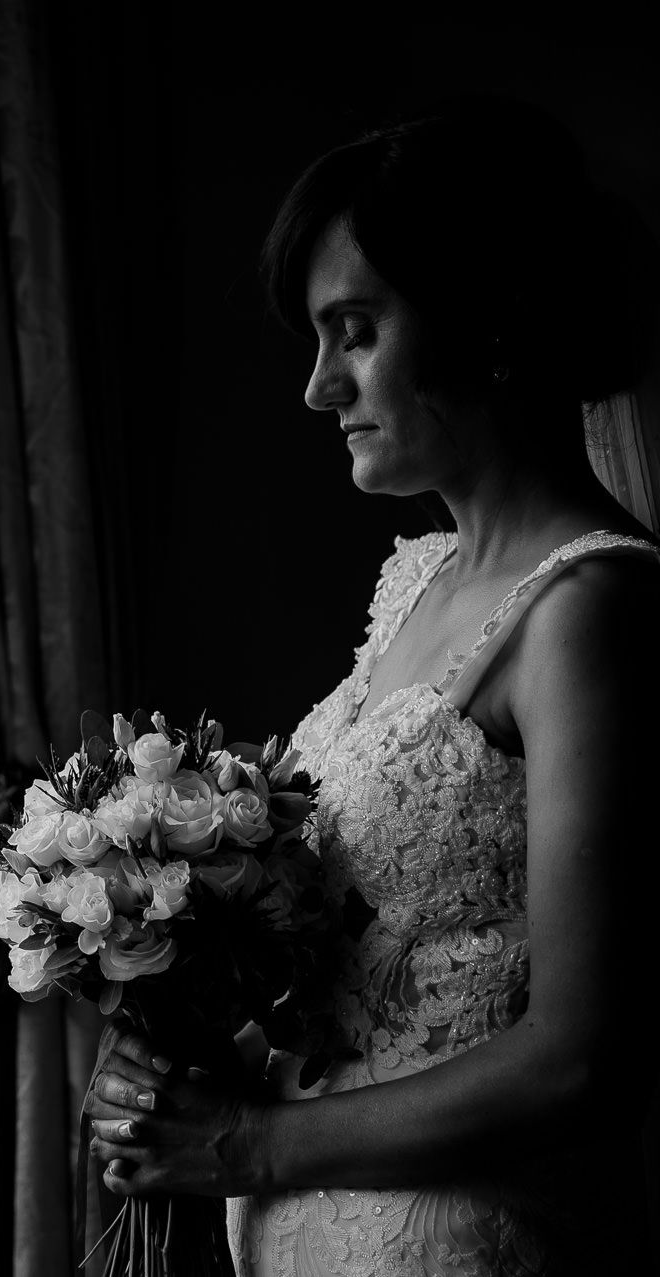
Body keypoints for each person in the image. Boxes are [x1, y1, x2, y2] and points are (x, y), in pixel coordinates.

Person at [82, 98, 660, 1274]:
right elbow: (376, 964)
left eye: (353, 331)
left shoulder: (588, 613)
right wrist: (189, 1045)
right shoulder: (417, 584)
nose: (316, 387)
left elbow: (583, 1056)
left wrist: (250, 1144)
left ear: (487, 322)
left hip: (466, 1239)